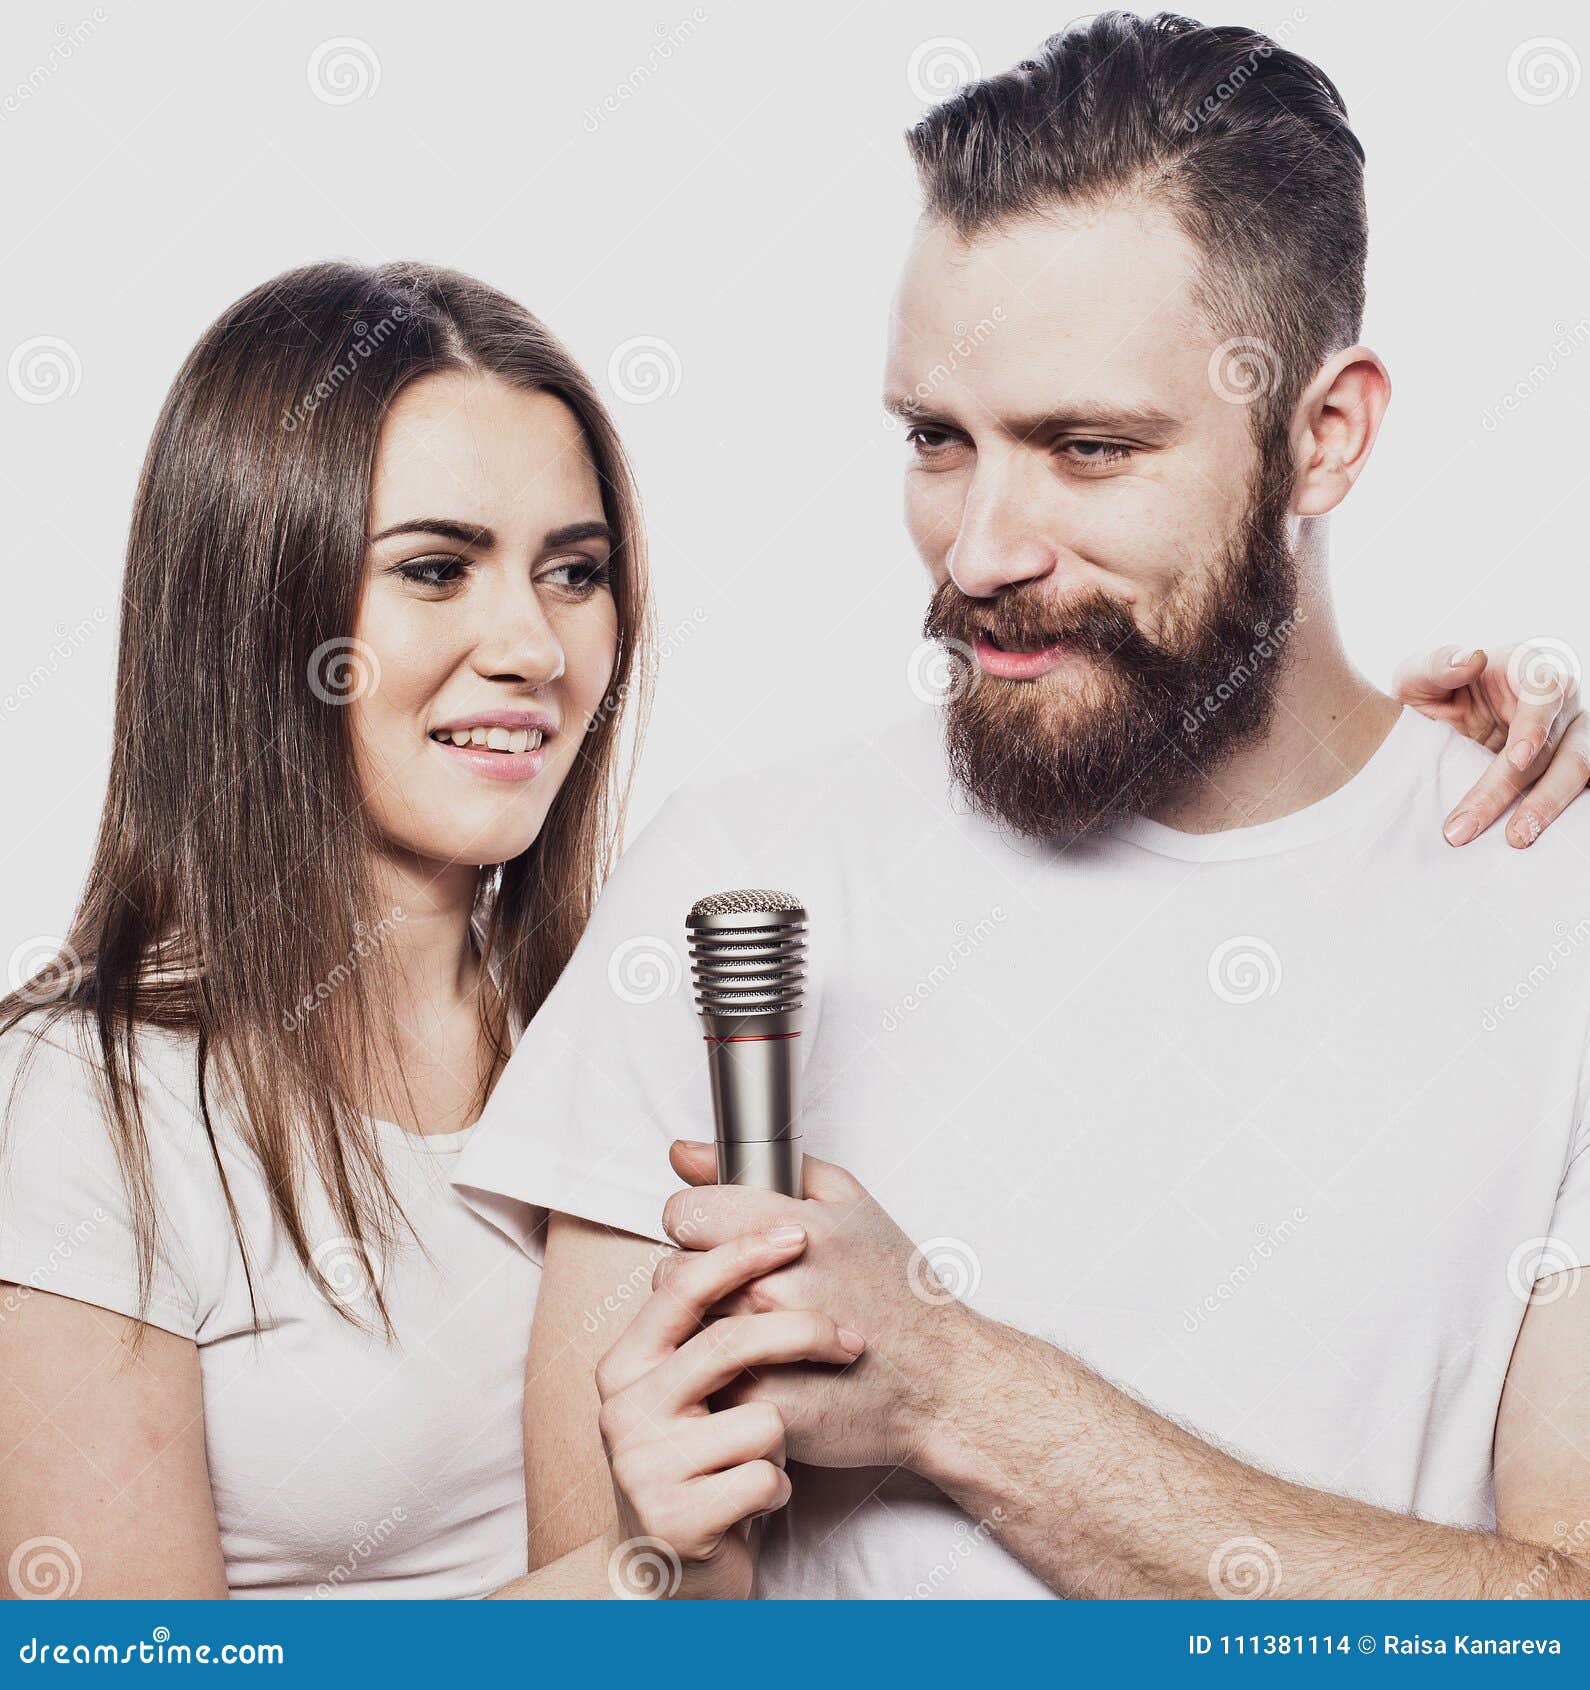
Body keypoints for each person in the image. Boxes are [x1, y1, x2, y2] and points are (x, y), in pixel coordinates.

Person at [453, 14, 1590, 1599]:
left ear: (1322, 434)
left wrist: (953, 1388)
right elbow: (598, 1619)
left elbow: (1560, 1617)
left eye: (1087, 447)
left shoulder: (1555, 917)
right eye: (937, 439)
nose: (980, 547)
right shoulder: (737, 883)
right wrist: (675, 1561)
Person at [0, 262, 859, 1600]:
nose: (530, 643)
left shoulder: (621, 1039)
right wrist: (636, 1570)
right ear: (255, 610)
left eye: (573, 572)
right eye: (435, 569)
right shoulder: (94, 1108)